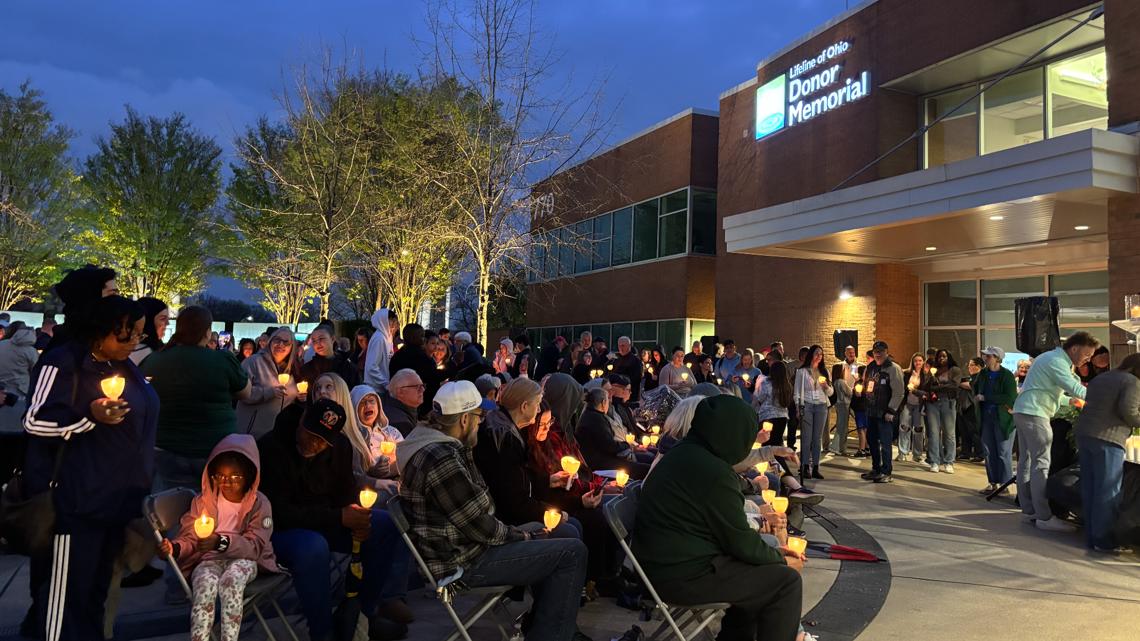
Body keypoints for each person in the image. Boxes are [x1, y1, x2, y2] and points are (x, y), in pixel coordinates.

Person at [398, 381, 590, 641]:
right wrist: (524, 537)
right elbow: (482, 527)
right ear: (464, 419)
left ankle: (544, 627)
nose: (482, 423)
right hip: (463, 562)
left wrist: (530, 532)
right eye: (479, 416)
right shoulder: (441, 459)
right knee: (572, 552)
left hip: (468, 546)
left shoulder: (443, 446)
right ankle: (551, 635)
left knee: (557, 533)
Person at [22, 296, 158, 641]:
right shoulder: (65, 363)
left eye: (139, 335)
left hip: (117, 502)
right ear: (101, 331)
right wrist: (87, 418)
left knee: (95, 596)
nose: (134, 342)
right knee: (65, 599)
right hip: (77, 502)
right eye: (127, 335)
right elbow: (35, 421)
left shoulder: (124, 366)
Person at [633, 395, 805, 641]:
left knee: (760, 575)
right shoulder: (712, 471)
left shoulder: (688, 452)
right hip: (681, 575)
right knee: (785, 582)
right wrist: (780, 556)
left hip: (664, 564)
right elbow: (739, 540)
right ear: (733, 435)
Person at [258, 398, 410, 640]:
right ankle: (323, 632)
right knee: (313, 548)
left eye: (322, 440)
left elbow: (345, 494)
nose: (315, 443)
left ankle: (360, 615)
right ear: (301, 421)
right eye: (310, 434)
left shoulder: (339, 446)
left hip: (328, 520)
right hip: (283, 529)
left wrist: (356, 515)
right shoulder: (272, 447)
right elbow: (277, 511)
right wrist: (340, 516)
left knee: (384, 525)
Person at [161, 434, 281, 641]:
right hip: (209, 559)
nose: (226, 482)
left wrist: (221, 542)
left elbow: (255, 546)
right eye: (220, 476)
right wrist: (175, 548)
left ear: (250, 475)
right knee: (205, 584)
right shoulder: (203, 502)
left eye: (235, 477)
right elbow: (191, 538)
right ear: (211, 475)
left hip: (246, 560)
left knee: (231, 580)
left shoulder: (259, 504)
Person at [1012, 331, 1099, 532]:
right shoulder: (1057, 361)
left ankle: (1029, 510)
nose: (1089, 359)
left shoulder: (1049, 358)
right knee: (1041, 464)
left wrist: (1071, 401)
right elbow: (1075, 387)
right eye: (1087, 354)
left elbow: (1046, 391)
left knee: (1026, 463)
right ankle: (1044, 516)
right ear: (1075, 348)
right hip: (1035, 413)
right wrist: (1104, 396)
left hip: (1024, 410)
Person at [474, 378, 576, 533]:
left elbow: (517, 479)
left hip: (513, 509)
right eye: (537, 403)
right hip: (504, 522)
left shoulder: (504, 427)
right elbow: (514, 501)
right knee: (571, 529)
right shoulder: (504, 439)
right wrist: (553, 514)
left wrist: (547, 480)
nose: (539, 410)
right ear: (524, 406)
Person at [1074, 353, 1140, 552]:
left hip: (1085, 434)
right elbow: (1129, 410)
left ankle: (1091, 535)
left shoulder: (1102, 378)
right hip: (1108, 438)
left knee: (1090, 486)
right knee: (1108, 490)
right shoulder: (1132, 382)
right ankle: (1103, 540)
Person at [235, 327, 300, 440]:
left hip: (277, 437)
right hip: (251, 434)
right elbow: (240, 392)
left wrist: (299, 397)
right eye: (277, 340)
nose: (281, 344)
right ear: (270, 342)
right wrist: (267, 392)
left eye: (286, 342)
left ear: (292, 347)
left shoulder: (293, 369)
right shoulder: (253, 362)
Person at [575, 387, 650, 479]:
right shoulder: (597, 419)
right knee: (645, 469)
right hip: (600, 463)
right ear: (603, 403)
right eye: (608, 401)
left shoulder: (589, 415)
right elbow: (610, 446)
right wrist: (628, 445)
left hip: (600, 459)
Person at [973, 347, 1017, 496]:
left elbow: (1009, 397)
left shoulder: (1007, 375)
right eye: (985, 356)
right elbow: (975, 388)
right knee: (989, 450)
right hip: (986, 416)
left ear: (997, 358)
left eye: (989, 356)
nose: (986, 358)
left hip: (1002, 418)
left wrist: (986, 398)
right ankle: (993, 482)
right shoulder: (983, 374)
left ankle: (1005, 484)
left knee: (1003, 451)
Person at [860, 341, 904, 483]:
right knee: (872, 441)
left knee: (885, 443)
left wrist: (891, 410)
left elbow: (898, 392)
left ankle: (886, 471)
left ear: (886, 351)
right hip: (871, 411)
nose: (878, 354)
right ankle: (876, 469)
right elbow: (866, 384)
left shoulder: (893, 368)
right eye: (875, 351)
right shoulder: (871, 367)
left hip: (885, 413)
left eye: (880, 351)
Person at [351, 384, 402, 497]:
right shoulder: (352, 438)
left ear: (378, 406)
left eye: (371, 401)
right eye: (362, 402)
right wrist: (372, 472)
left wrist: (392, 467)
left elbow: (406, 458)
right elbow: (354, 475)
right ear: (354, 408)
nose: (368, 405)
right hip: (368, 492)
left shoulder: (391, 433)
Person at [388, 324, 444, 417]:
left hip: (400, 402)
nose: (424, 339)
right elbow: (433, 378)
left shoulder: (398, 355)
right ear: (413, 337)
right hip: (418, 404)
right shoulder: (420, 357)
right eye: (422, 336)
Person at [794, 345, 832, 479]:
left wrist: (826, 386)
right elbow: (797, 392)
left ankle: (816, 467)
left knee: (817, 438)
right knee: (807, 438)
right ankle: (805, 466)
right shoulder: (802, 371)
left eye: (821, 354)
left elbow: (831, 392)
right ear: (811, 355)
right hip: (808, 405)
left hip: (821, 406)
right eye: (817, 354)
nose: (819, 357)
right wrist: (798, 407)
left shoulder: (824, 371)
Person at [921, 349, 962, 473]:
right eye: (939, 356)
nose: (941, 358)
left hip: (948, 402)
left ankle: (949, 461)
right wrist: (932, 381)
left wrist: (937, 387)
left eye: (944, 356)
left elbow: (954, 385)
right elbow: (926, 387)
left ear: (948, 357)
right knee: (933, 433)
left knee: (949, 433)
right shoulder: (933, 370)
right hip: (933, 403)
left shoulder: (955, 370)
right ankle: (935, 461)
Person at [0, 322, 39, 432]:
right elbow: (36, 372)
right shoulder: (31, 351)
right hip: (21, 392)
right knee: (16, 427)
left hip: (1, 391)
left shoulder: (2, 345)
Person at [300, 325, 360, 389]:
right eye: (314, 341)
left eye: (321, 339)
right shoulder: (307, 369)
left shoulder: (348, 367)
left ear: (332, 339)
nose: (317, 343)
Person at [755, 360, 793, 449]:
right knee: (777, 445)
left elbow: (760, 398)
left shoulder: (766, 383)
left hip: (767, 417)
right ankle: (780, 462)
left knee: (766, 445)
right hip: (782, 417)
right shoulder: (787, 385)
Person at [898, 353, 929, 464]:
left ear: (923, 362)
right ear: (912, 362)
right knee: (904, 427)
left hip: (919, 405)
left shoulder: (926, 375)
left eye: (920, 360)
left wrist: (916, 390)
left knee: (918, 429)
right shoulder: (906, 373)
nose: (918, 363)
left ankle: (917, 454)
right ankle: (903, 452)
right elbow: (901, 388)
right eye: (916, 361)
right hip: (907, 403)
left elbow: (927, 391)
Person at [828, 346, 859, 456]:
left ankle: (842, 447)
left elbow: (858, 379)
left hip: (854, 399)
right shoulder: (840, 366)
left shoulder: (857, 365)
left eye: (853, 352)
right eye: (849, 352)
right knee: (842, 425)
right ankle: (838, 447)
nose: (852, 354)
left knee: (858, 424)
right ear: (845, 353)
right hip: (845, 399)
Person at [364, 307, 399, 393]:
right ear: (383, 321)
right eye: (391, 321)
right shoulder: (379, 338)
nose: (394, 324)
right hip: (375, 388)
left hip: (382, 387)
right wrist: (385, 383)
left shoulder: (387, 337)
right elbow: (372, 366)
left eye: (395, 321)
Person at [382, 368, 423, 437]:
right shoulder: (401, 424)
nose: (422, 390)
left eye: (422, 386)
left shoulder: (391, 403)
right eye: (417, 387)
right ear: (400, 392)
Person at [129, 297, 169, 365]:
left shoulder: (160, 349)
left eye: (168, 319)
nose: (168, 323)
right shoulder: (138, 352)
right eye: (162, 319)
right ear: (148, 320)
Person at [610, 337, 644, 404]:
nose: (621, 348)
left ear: (629, 346)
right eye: (619, 346)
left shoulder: (635, 361)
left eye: (623, 345)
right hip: (617, 396)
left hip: (631, 397)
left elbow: (637, 378)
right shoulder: (616, 360)